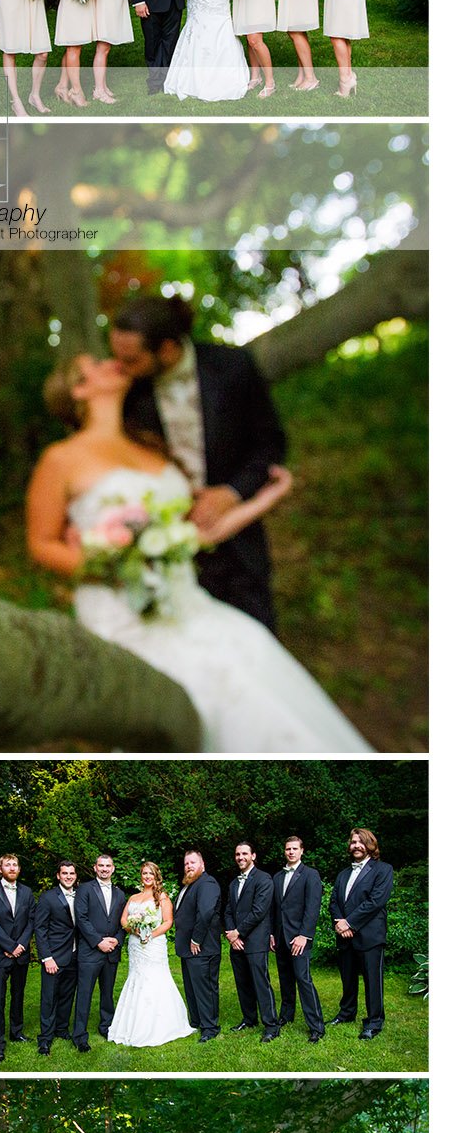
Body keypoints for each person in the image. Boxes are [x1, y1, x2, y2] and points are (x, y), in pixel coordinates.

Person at [28, 353, 373, 754]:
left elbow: (196, 532)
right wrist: (111, 565)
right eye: (96, 365)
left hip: (189, 604)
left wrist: (264, 500)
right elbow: (41, 543)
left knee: (254, 656)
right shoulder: (61, 459)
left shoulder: (153, 447)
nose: (112, 362)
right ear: (79, 390)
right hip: (123, 612)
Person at [109, 293, 285, 627]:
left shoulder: (233, 368)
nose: (120, 367)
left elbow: (270, 444)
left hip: (239, 537)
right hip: (168, 544)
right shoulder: (129, 393)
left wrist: (230, 494)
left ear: (167, 349)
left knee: (255, 631)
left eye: (130, 359)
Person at [108, 860, 194, 1048]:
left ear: (156, 876)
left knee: (155, 979)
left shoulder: (161, 897)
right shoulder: (133, 898)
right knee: (136, 978)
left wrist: (150, 935)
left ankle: (161, 1024)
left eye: (150, 874)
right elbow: (123, 920)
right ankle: (130, 1024)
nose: (147, 877)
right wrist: (134, 930)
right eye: (144, 873)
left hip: (153, 945)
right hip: (135, 945)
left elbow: (168, 921)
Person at [329, 827, 394, 1039]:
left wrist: (350, 923)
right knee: (348, 979)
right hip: (344, 936)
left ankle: (374, 1022)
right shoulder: (343, 874)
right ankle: (347, 1013)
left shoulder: (383, 870)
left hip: (370, 936)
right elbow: (334, 902)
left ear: (370, 845)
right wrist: (340, 923)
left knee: (372, 981)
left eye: (361, 842)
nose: (356, 845)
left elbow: (376, 902)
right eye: (353, 842)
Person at [0, 853, 35, 1062]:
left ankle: (16, 1031)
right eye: (7, 865)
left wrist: (20, 945)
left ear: (19, 869)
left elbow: (31, 920)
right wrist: (9, 946)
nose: (12, 868)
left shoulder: (27, 892)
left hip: (21, 954)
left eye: (15, 865)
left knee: (18, 996)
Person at [271, 834, 325, 1040]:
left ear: (302, 851)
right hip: (280, 937)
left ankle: (316, 1026)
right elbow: (275, 909)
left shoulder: (310, 875)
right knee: (285, 979)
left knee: (303, 979)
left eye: (294, 848)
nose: (291, 852)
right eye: (288, 849)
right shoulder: (277, 877)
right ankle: (286, 1015)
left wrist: (304, 935)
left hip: (299, 938)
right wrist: (271, 934)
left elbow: (312, 908)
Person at [225, 842, 279, 1041]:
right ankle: (249, 1019)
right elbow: (229, 910)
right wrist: (232, 934)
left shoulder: (264, 879)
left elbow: (259, 911)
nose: (240, 857)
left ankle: (272, 1025)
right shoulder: (233, 883)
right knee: (243, 983)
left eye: (244, 853)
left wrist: (238, 932)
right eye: (238, 854)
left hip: (255, 941)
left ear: (253, 856)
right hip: (236, 942)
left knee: (261, 983)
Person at [72, 854, 127, 1049]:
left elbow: (124, 922)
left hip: (111, 952)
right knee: (85, 994)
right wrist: (98, 942)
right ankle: (79, 1036)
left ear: (113, 869)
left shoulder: (120, 894)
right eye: (101, 865)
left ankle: (106, 1027)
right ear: (95, 868)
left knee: (107, 993)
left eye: (108, 866)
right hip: (90, 952)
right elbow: (82, 919)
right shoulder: (84, 889)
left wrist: (117, 940)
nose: (104, 869)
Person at [173, 849, 222, 1043]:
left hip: (202, 947)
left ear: (202, 865)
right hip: (188, 948)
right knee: (192, 987)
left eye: (192, 862)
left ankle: (210, 1027)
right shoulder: (190, 885)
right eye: (186, 863)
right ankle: (197, 1021)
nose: (189, 866)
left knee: (205, 988)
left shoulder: (207, 883)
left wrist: (196, 939)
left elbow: (206, 913)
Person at [34, 861, 78, 1055]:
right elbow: (40, 928)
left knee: (67, 995)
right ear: (58, 875)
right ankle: (45, 1038)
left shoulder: (82, 895)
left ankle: (61, 1029)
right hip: (54, 956)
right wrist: (46, 957)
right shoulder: (48, 897)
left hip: (76, 955)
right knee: (49, 998)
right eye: (64, 873)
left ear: (75, 876)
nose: (68, 876)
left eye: (71, 873)